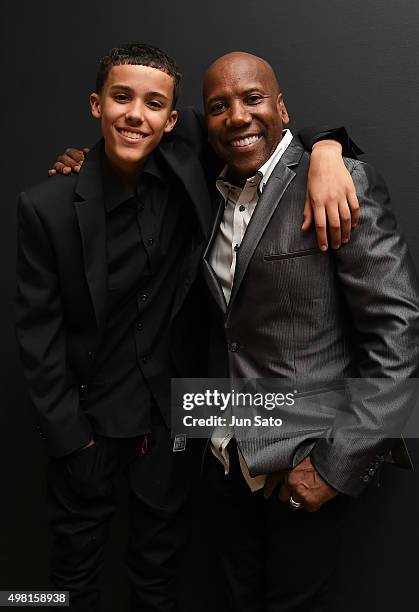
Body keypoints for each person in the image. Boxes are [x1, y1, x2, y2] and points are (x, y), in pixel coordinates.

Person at [16, 43, 359, 612]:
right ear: (96, 104)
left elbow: (263, 119)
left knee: (159, 579)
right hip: (87, 427)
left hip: (179, 422)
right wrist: (69, 436)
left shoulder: (189, 162)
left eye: (154, 104)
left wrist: (327, 147)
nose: (135, 114)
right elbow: (37, 331)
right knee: (61, 587)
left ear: (174, 120)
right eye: (121, 98)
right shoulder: (46, 204)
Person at [200, 51, 419, 612]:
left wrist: (336, 464)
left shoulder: (338, 182)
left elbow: (398, 335)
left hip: (304, 465)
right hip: (224, 455)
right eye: (218, 106)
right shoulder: (207, 188)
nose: (237, 116)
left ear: (281, 108)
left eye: (252, 99)